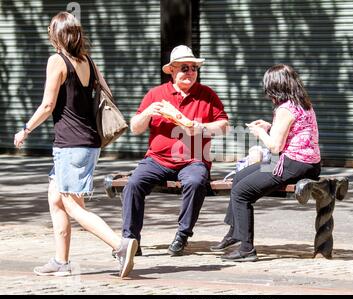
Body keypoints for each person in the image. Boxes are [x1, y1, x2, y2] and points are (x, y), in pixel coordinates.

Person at [13, 12, 137, 278]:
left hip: (71, 145)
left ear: (56, 34)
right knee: (55, 199)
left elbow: (48, 104)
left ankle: (120, 245)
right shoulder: (89, 62)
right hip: (87, 142)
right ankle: (61, 261)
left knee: (73, 206)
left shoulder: (57, 60)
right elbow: (106, 92)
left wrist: (26, 129)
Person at [122, 45, 229, 256]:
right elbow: (135, 128)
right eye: (184, 68)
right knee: (133, 184)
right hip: (157, 160)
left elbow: (224, 126)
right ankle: (131, 239)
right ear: (171, 70)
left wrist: (201, 127)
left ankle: (183, 234)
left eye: (193, 68)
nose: (190, 72)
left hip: (193, 160)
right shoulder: (156, 94)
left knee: (196, 182)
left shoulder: (206, 94)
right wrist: (147, 114)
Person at [211, 64, 321, 262]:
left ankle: (246, 248)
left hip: (291, 163)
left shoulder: (284, 109)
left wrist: (260, 133)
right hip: (307, 162)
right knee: (239, 177)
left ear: (276, 87)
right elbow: (293, 131)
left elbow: (275, 147)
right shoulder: (301, 103)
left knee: (241, 192)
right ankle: (235, 232)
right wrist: (270, 126)